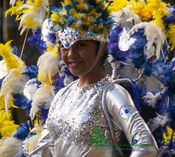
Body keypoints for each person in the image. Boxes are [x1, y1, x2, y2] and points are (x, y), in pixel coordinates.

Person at [28, 0, 158, 157]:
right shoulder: (62, 96)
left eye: (80, 45)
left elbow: (146, 146)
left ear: (100, 47)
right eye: (65, 46)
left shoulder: (113, 94)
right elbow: (43, 149)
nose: (71, 55)